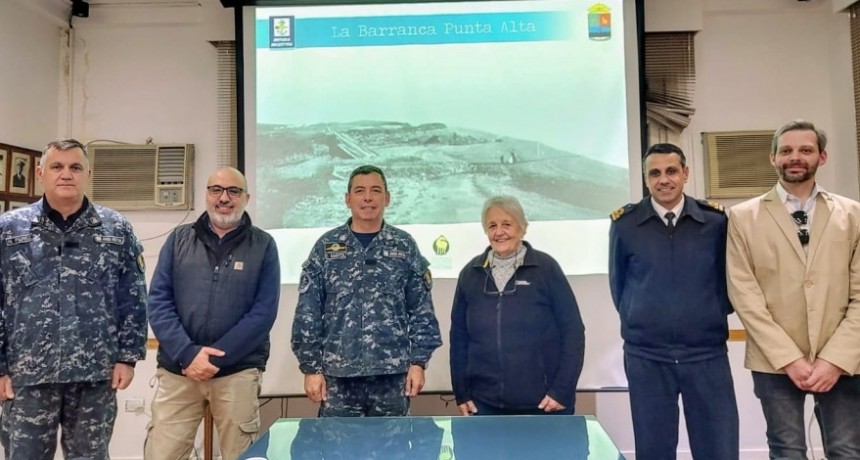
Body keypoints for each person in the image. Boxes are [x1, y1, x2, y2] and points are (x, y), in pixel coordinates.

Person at [0, 138, 147, 459]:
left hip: (94, 373)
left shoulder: (115, 228)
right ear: (40, 173)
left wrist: (128, 357)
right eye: (57, 166)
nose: (66, 174)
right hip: (28, 374)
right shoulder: (9, 230)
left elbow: (133, 296)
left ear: (88, 173)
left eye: (75, 167)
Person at [727, 119, 860, 458]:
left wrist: (834, 359)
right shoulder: (743, 217)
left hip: (842, 360)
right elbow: (745, 294)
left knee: (846, 450)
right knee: (786, 451)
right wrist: (790, 359)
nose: (795, 157)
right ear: (773, 158)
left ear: (822, 157)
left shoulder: (852, 214)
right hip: (775, 361)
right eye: (786, 150)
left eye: (805, 149)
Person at [608, 143, 738, 459]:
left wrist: (706, 317)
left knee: (718, 448)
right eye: (655, 173)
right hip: (647, 357)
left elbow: (728, 281)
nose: (663, 180)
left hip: (705, 354)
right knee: (654, 450)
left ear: (685, 174)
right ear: (645, 179)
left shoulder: (715, 222)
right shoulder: (625, 224)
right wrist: (639, 317)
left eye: (671, 171)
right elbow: (619, 285)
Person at [146, 167, 280, 459]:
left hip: (237, 372)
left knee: (242, 454)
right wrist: (188, 354)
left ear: (246, 197)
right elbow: (157, 301)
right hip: (179, 370)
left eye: (233, 191)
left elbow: (263, 312)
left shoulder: (264, 245)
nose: (224, 198)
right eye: (216, 190)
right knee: (162, 453)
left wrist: (215, 357)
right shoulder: (179, 239)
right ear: (206, 195)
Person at [291, 164, 442, 417]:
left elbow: (421, 311)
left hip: (391, 375)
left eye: (376, 190)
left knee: (392, 454)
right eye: (360, 191)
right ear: (347, 199)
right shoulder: (326, 248)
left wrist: (418, 363)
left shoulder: (404, 246)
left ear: (387, 198)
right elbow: (308, 313)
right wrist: (311, 368)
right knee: (339, 454)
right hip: (339, 376)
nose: (368, 197)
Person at [449, 195, 585, 416]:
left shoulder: (546, 269)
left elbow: (573, 332)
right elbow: (459, 337)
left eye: (507, 224)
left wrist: (562, 390)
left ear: (522, 228)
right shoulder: (470, 274)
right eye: (492, 225)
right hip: (483, 404)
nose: (499, 232)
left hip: (544, 403)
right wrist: (461, 392)